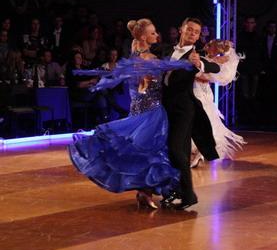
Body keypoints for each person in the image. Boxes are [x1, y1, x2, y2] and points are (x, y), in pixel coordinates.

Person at [67, 19, 189, 209]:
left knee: (143, 152)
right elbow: (153, 79)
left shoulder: (133, 59)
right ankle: (145, 192)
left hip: (139, 111)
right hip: (151, 112)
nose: (157, 35)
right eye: (153, 33)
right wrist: (187, 63)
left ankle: (144, 193)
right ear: (143, 37)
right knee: (150, 152)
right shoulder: (148, 61)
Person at [161, 17, 224, 210]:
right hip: (165, 108)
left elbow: (216, 67)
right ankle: (176, 191)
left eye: (196, 32)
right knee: (174, 150)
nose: (192, 33)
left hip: (184, 109)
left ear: (197, 37)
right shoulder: (168, 50)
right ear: (181, 29)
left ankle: (188, 194)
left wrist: (200, 65)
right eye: (189, 29)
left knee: (175, 149)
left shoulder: (195, 55)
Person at [190, 39, 245, 167]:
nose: (207, 46)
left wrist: (199, 74)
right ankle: (196, 151)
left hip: (201, 93)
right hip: (199, 92)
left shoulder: (216, 61)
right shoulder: (205, 59)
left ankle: (198, 151)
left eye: (211, 45)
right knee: (201, 121)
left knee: (203, 121)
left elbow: (216, 76)